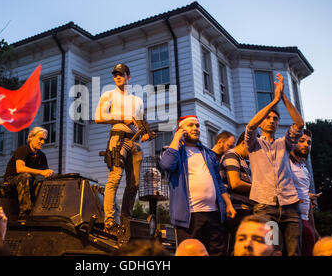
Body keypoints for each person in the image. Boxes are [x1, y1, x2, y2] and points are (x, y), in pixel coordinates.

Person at [159, 115, 236, 256]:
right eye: (190, 125)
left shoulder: (208, 153)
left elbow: (218, 182)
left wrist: (228, 204)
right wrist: (177, 138)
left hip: (214, 214)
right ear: (180, 129)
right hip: (189, 217)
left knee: (217, 252)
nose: (195, 128)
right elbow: (167, 165)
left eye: (197, 125)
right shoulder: (172, 151)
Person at [245, 73, 304, 256]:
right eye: (268, 118)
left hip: (290, 206)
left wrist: (282, 97)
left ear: (278, 124)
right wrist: (272, 102)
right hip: (266, 207)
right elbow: (250, 127)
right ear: (263, 122)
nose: (272, 120)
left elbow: (299, 124)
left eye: (275, 119)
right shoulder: (254, 144)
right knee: (271, 251)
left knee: (294, 252)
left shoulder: (284, 143)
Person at [95, 63, 151, 232]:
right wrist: (122, 117)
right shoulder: (108, 95)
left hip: (134, 142)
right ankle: (109, 221)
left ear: (129, 76)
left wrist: (146, 133)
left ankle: (126, 220)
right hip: (118, 139)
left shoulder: (138, 100)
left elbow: (141, 121)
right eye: (115, 75)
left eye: (121, 74)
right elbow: (98, 117)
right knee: (115, 178)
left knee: (133, 184)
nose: (117, 77)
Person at [3, 126, 54, 218]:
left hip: (28, 184)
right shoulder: (22, 150)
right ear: (31, 137)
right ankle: (25, 212)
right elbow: (20, 169)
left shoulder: (41, 156)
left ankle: (44, 210)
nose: (42, 142)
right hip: (11, 184)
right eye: (40, 139)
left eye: (44, 140)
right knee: (25, 176)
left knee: (43, 183)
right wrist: (41, 172)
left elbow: (45, 173)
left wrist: (49, 174)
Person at [219, 131, 254, 255]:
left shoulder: (244, 160)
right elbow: (235, 183)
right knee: (237, 249)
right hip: (236, 209)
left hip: (245, 209)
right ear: (244, 142)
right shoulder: (231, 155)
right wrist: (259, 188)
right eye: (253, 147)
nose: (254, 152)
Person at [289, 129, 320, 256]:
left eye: (309, 142)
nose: (306, 145)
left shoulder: (305, 170)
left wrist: (313, 229)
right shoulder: (285, 163)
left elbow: (307, 202)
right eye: (301, 141)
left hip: (305, 222)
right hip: (289, 220)